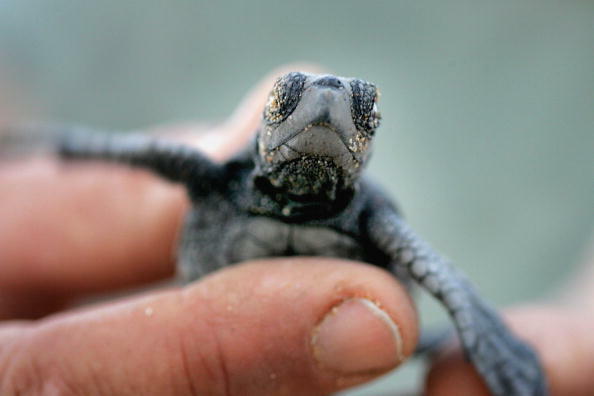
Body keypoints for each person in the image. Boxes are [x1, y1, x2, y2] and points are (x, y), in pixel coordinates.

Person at [1, 65, 592, 395]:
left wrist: (498, 352)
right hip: (211, 289)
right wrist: (40, 145)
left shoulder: (371, 219)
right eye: (291, 101)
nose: (328, 107)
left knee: (438, 333)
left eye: (362, 112)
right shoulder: (217, 178)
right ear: (263, 127)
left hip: (354, 326)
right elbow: (131, 151)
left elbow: (442, 279)